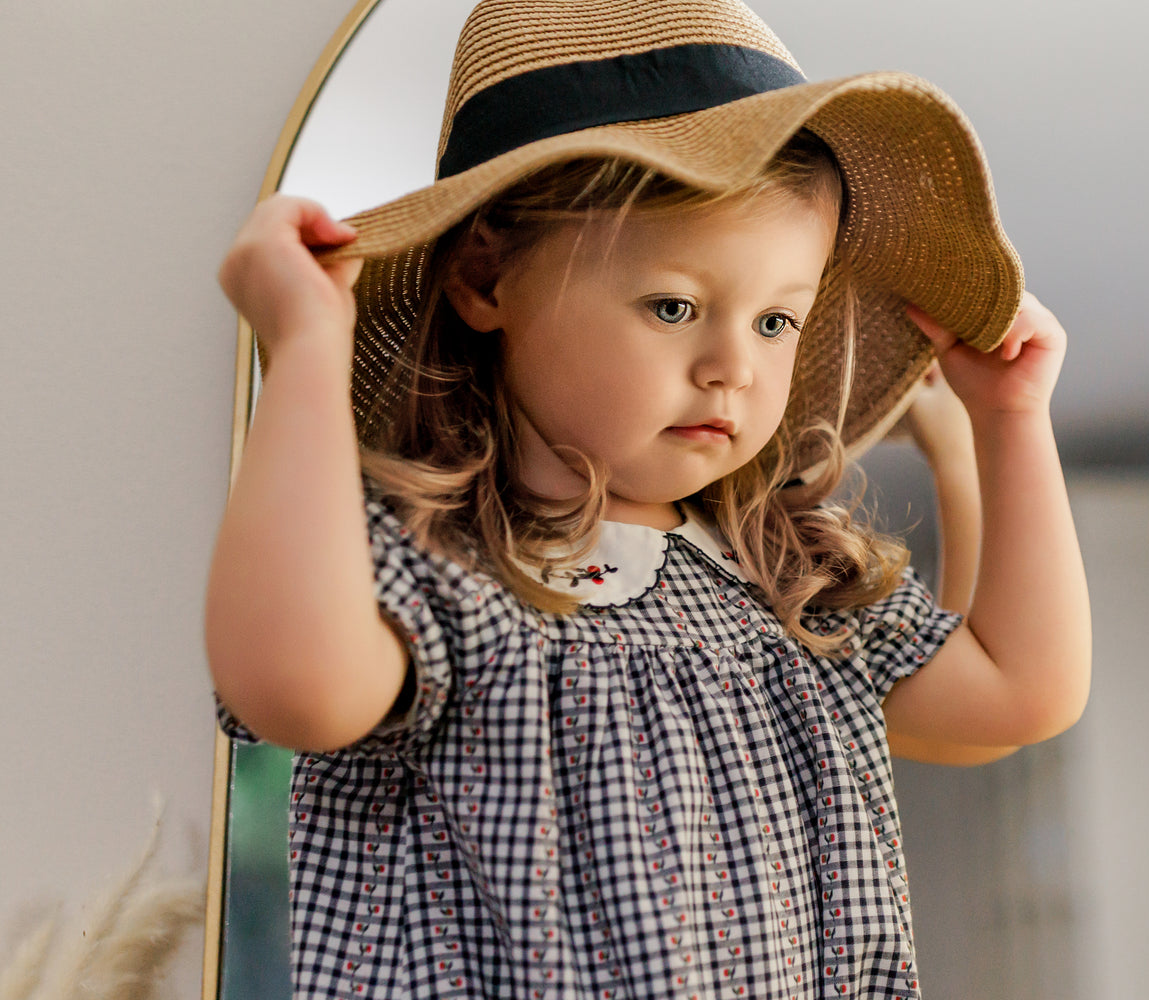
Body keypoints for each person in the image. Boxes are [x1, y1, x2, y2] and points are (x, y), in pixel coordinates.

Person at [207, 0, 1091, 996]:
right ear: (487, 277)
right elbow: (290, 688)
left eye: (774, 320)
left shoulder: (783, 581)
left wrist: (1011, 423)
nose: (731, 368)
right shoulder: (442, 572)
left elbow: (1019, 692)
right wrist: (308, 349)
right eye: (673, 305)